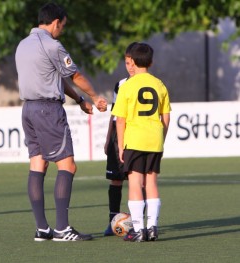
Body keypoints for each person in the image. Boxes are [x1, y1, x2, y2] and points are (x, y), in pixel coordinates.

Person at [15, 2, 107, 242]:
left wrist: (78, 99)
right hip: (48, 111)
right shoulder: (52, 46)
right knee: (68, 166)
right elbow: (74, 75)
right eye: (62, 26)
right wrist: (94, 96)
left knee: (38, 165)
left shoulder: (22, 45)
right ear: (55, 22)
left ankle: (42, 229)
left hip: (28, 110)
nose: (62, 30)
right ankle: (63, 229)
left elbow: (54, 77)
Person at [112, 42, 171, 242]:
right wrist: (161, 137)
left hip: (135, 139)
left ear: (134, 62)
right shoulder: (159, 84)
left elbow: (120, 119)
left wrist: (121, 146)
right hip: (154, 139)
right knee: (152, 182)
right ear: (151, 62)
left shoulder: (128, 86)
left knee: (136, 182)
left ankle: (138, 229)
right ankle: (153, 227)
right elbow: (166, 116)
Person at [103, 42, 137, 236]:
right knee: (116, 180)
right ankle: (112, 221)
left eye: (133, 63)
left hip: (137, 136)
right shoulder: (120, 84)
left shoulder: (148, 83)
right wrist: (109, 139)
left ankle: (137, 222)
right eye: (127, 63)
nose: (130, 67)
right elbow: (115, 114)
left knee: (136, 181)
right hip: (118, 138)